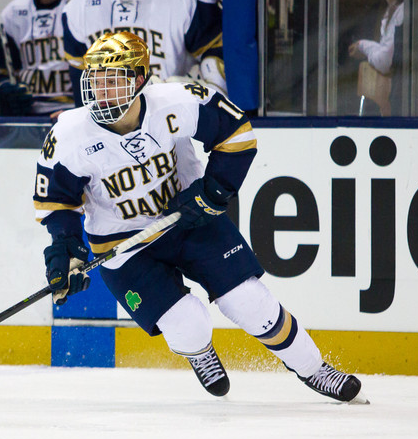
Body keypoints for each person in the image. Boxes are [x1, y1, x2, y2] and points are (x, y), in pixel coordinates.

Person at [34, 31, 366, 403]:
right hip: (123, 245)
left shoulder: (177, 101)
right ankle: (199, 352)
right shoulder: (68, 136)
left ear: (140, 79)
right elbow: (57, 203)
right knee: (188, 324)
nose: (102, 91)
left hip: (190, 220)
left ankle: (315, 369)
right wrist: (68, 250)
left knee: (249, 302)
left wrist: (212, 192)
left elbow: (238, 135)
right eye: (95, 81)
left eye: (114, 81)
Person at [61, 0, 226, 104]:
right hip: (111, 114)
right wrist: (83, 114)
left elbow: (216, 52)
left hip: (173, 109)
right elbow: (80, 71)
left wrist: (206, 92)